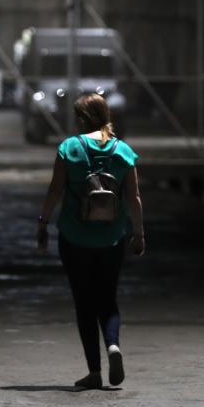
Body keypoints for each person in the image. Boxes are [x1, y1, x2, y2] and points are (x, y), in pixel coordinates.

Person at [37, 93, 145, 390]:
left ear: (82, 119)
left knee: (84, 302)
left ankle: (94, 372)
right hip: (111, 238)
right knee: (107, 299)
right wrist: (138, 233)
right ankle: (113, 345)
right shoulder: (123, 151)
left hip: (75, 237)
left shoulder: (69, 148)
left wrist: (43, 223)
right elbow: (133, 198)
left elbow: (55, 191)